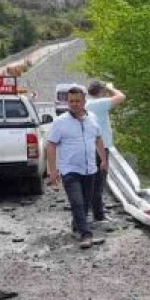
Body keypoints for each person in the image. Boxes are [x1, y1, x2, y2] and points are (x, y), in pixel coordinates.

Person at [45, 86, 107, 248]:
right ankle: (86, 235)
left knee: (85, 203)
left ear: (84, 101)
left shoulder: (92, 118)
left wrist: (103, 159)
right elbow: (50, 145)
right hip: (70, 170)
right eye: (71, 101)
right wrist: (52, 171)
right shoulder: (60, 122)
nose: (74, 104)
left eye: (77, 101)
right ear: (67, 102)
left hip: (90, 169)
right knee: (77, 202)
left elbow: (98, 138)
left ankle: (77, 226)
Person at [85, 80, 126, 225]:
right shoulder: (98, 104)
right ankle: (98, 216)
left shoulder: (88, 104)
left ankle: (92, 214)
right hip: (100, 149)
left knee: (92, 181)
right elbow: (121, 97)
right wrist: (112, 88)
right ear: (101, 92)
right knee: (99, 182)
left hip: (91, 148)